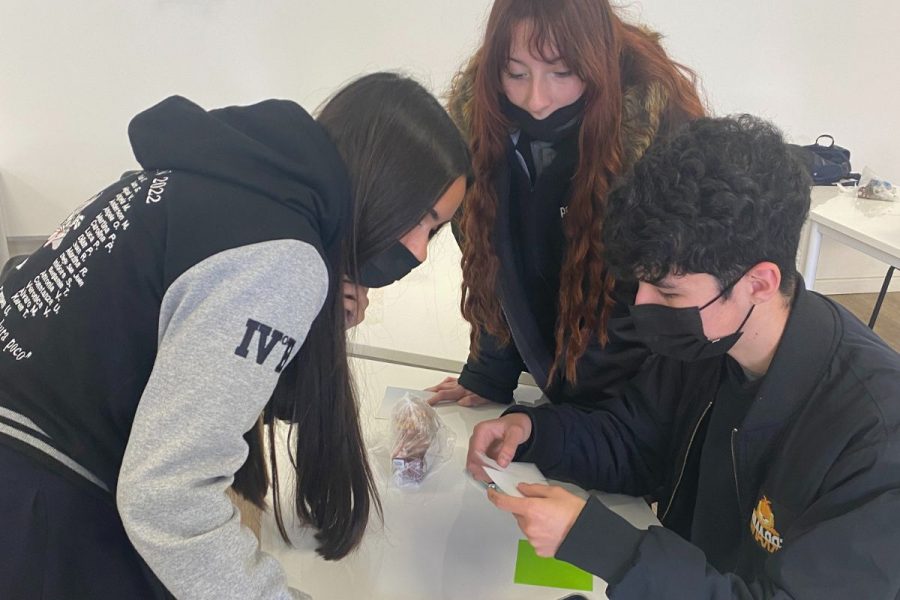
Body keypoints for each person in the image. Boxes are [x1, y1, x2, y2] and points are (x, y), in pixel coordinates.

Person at [0, 72, 471, 599]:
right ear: (386, 181)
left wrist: (312, 326)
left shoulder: (221, 185)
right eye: (424, 222)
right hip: (37, 503)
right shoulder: (282, 257)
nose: (422, 250)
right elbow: (167, 499)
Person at [466, 115, 900, 598]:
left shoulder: (876, 438)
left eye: (668, 292)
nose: (643, 306)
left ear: (759, 283)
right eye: (641, 284)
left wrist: (606, 546)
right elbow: (635, 442)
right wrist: (534, 434)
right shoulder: (708, 344)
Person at [427, 0, 705, 409]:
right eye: (516, 73)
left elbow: (660, 302)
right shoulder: (477, 127)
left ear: (595, 61)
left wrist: (585, 422)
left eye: (562, 72)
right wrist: (490, 370)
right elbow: (491, 263)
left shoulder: (663, 138)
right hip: (558, 385)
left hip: (637, 392)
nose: (537, 98)